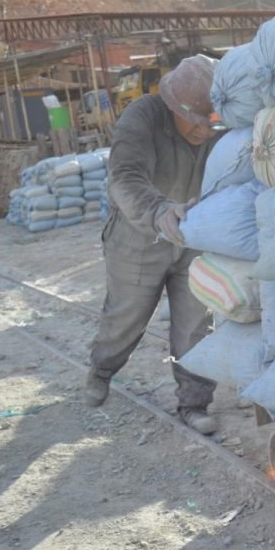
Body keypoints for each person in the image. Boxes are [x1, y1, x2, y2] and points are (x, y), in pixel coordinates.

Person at [85, 54, 222, 436]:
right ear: (173, 106)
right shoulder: (142, 117)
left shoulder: (218, 128)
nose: (204, 132)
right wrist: (160, 212)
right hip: (139, 237)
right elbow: (124, 177)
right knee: (127, 316)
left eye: (210, 124)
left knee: (196, 325)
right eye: (195, 122)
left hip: (194, 239)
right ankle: (101, 371)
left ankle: (194, 403)